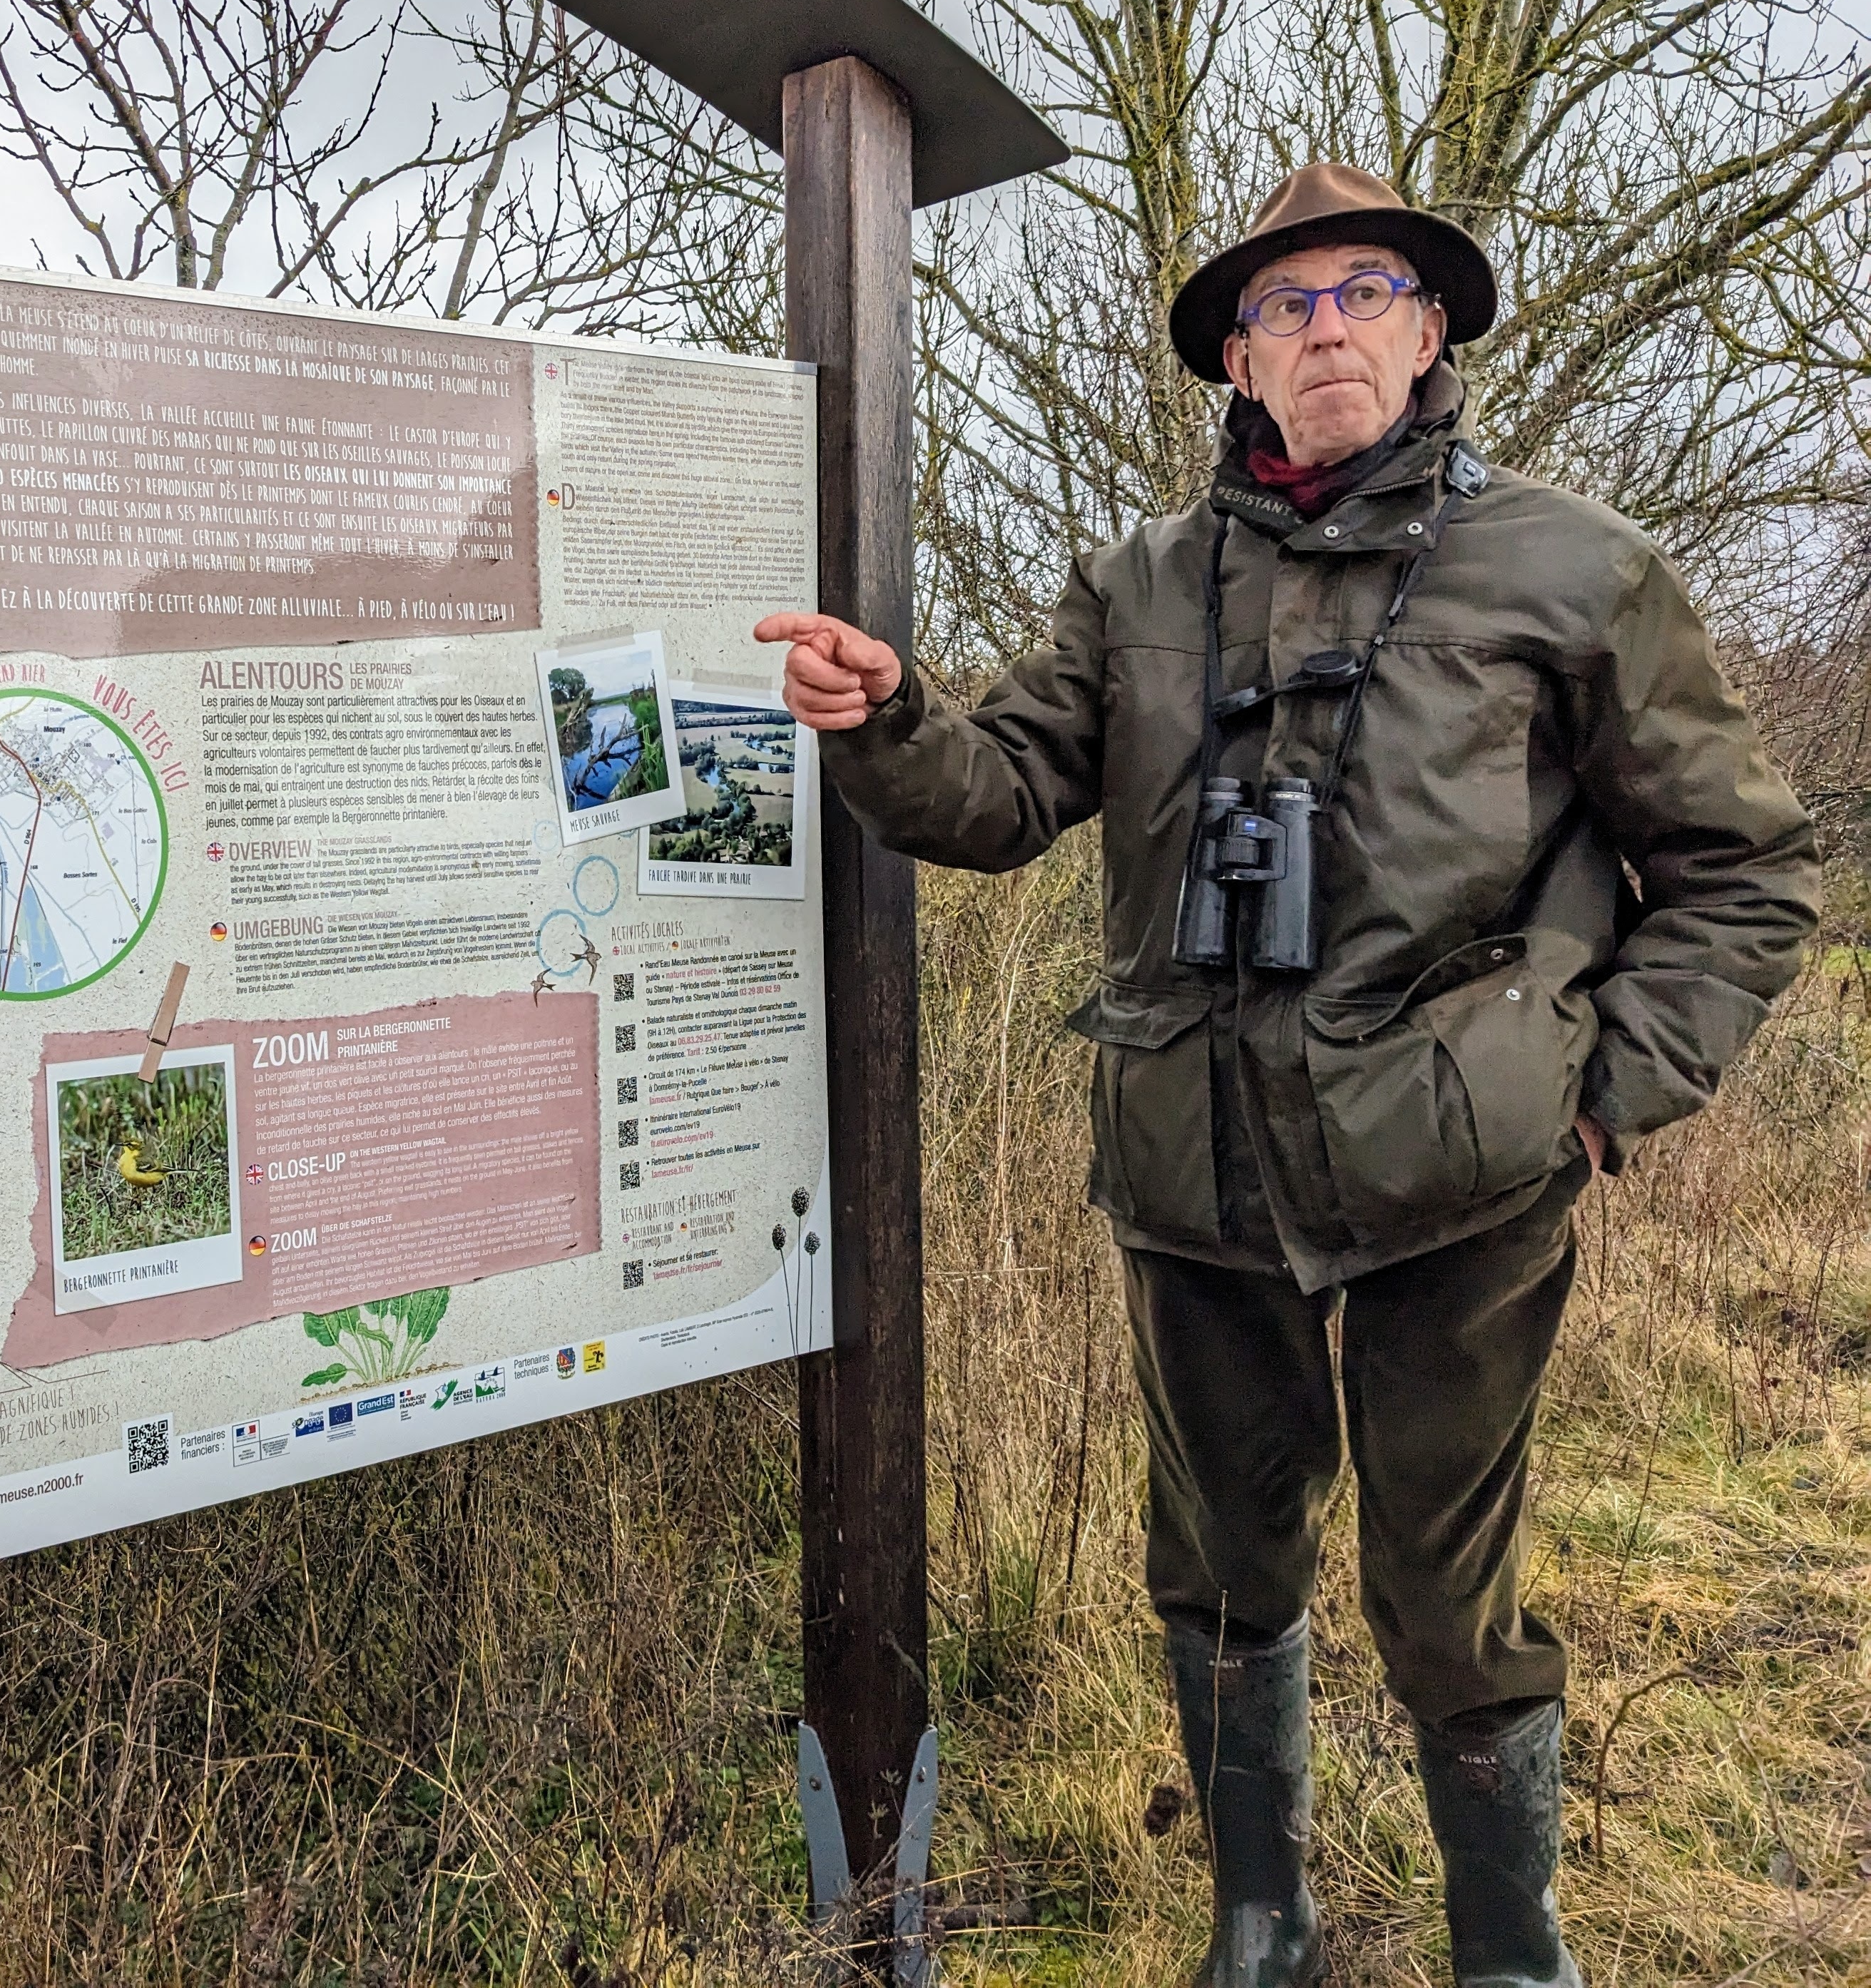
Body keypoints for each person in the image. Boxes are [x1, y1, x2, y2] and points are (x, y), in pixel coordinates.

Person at [758, 164, 1818, 1988]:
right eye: (1285, 305)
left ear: (1429, 331)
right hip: (1200, 1173)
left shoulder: (1574, 567)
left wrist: (1595, 1089)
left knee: (1443, 1588)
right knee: (1228, 1566)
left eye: (1364, 293)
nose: (1325, 327)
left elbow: (1747, 869)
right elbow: (1001, 797)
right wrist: (891, 722)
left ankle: (1511, 1947)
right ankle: (1265, 1922)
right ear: (1234, 361)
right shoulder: (1143, 584)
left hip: (1462, 1186)